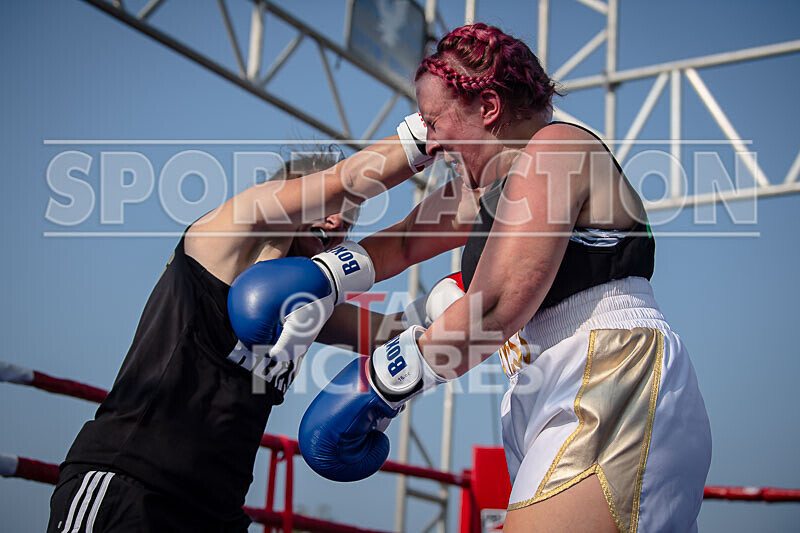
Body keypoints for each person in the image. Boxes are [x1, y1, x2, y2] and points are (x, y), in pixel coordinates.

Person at [299, 23, 712, 533]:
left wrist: (381, 383)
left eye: (432, 121)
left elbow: (494, 306)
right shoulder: (486, 187)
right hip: (550, 385)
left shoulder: (558, 150)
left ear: (488, 108)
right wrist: (313, 280)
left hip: (608, 377)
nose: (427, 143)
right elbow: (402, 245)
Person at [46, 124, 432, 532]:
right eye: (331, 207)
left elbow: (398, 330)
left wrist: (477, 296)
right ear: (293, 196)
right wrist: (433, 127)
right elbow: (347, 179)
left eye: (349, 222)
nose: (339, 224)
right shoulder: (220, 236)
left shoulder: (303, 305)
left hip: (216, 511)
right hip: (132, 483)